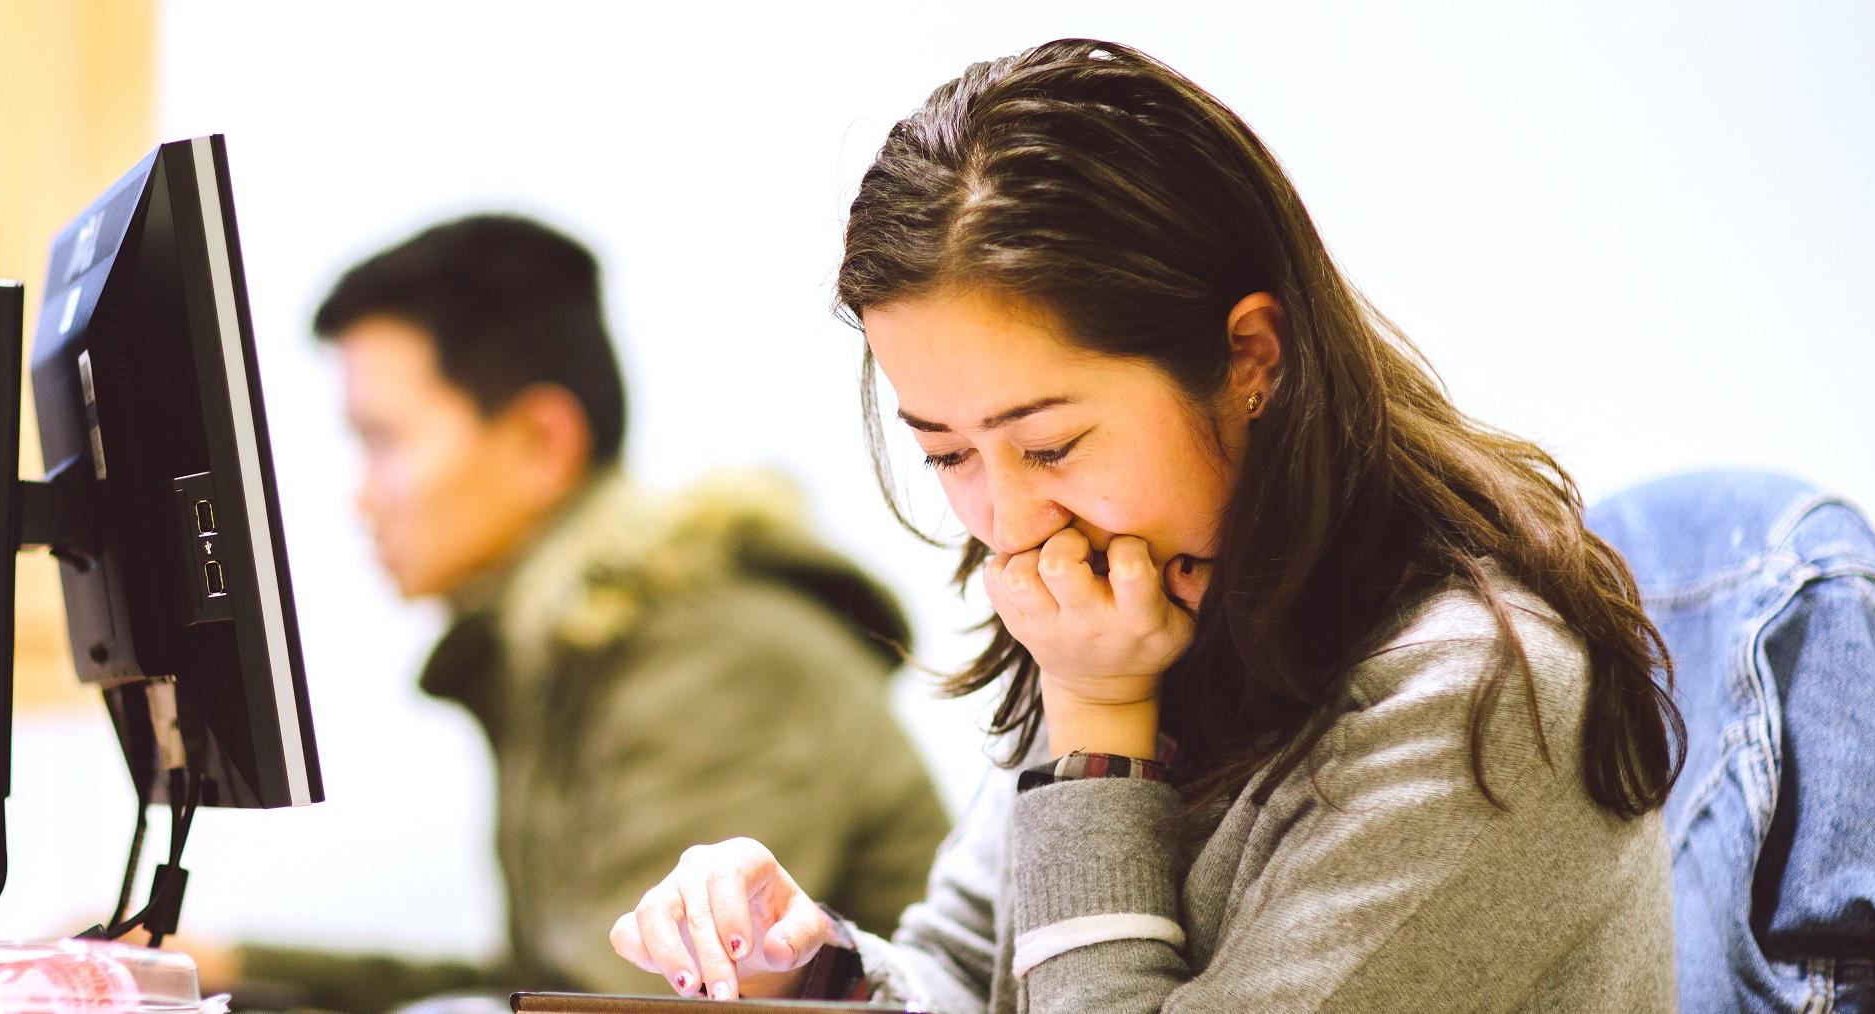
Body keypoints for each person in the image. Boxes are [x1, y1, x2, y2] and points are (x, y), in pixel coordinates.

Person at [610, 40, 1688, 1011]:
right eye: (946, 454)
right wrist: (811, 971)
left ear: (1251, 358)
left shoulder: (1470, 706)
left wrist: (1097, 746)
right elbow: (977, 975)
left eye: (1050, 447)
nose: (1010, 525)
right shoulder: (1129, 613)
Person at [228, 215, 952, 1012]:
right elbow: (534, 986)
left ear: (542, 440)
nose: (361, 498)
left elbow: (628, 1008)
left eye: (383, 439)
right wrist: (224, 968)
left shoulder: (711, 655)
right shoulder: (578, 646)